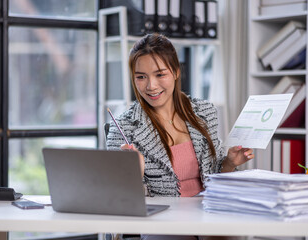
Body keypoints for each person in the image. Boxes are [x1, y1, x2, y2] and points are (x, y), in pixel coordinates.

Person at [106, 33, 254, 240]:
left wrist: (229, 163)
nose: (151, 86)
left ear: (175, 72)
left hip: (209, 215)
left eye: (160, 74)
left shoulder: (204, 112)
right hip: (163, 222)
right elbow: (119, 202)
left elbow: (216, 175)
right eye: (141, 77)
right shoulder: (123, 127)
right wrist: (133, 175)